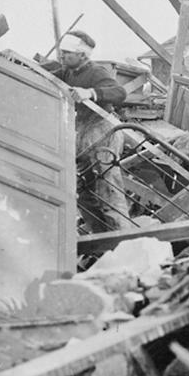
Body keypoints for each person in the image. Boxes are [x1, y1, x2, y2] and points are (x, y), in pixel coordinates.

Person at [52, 30, 131, 232]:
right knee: (83, 191)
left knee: (108, 189)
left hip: (102, 132)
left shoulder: (96, 72)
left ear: (82, 55)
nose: (62, 56)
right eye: (62, 51)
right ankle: (102, 239)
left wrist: (91, 93)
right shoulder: (66, 72)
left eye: (68, 53)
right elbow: (45, 75)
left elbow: (119, 93)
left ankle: (125, 238)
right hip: (83, 135)